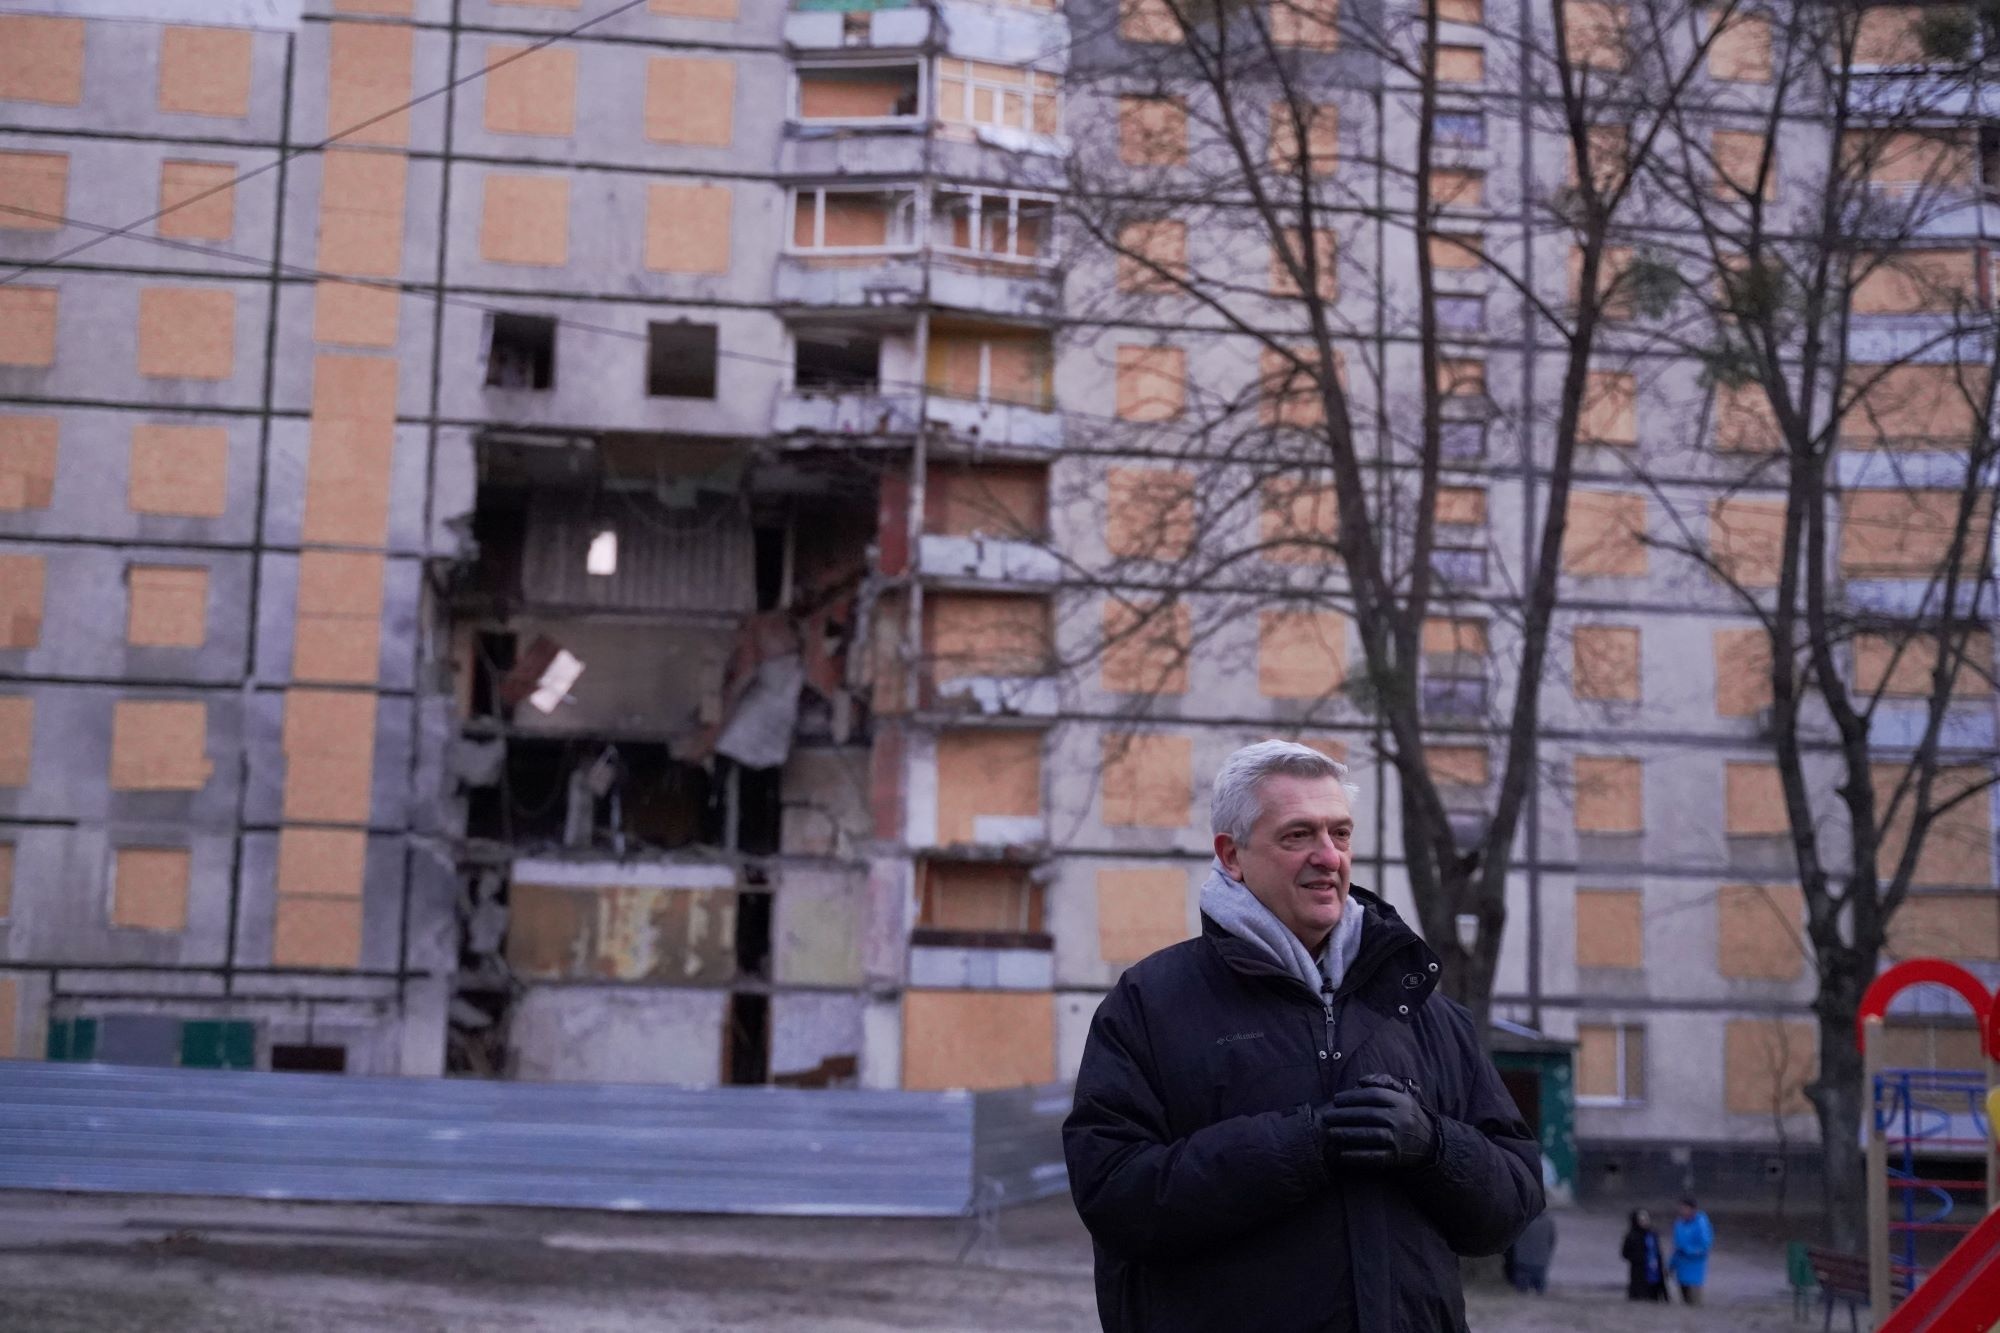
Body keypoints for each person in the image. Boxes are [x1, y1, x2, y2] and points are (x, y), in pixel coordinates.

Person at [1063, 740, 1546, 1332]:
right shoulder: (1151, 1003)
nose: (1328, 856)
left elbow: (1513, 1205)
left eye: (1340, 834)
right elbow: (1115, 1196)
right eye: (1298, 835)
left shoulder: (1426, 1012)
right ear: (1232, 855)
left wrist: (1433, 1146)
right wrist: (1304, 1144)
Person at [1670, 1197, 1714, 1304]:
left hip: (1695, 1273)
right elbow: (1676, 1248)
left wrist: (1688, 1250)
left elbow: (1705, 1247)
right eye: (1680, 1208)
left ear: (1693, 1209)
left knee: (1694, 1303)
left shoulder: (1701, 1224)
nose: (1682, 1211)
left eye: (1684, 1208)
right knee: (1685, 1303)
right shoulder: (1679, 1224)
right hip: (1681, 1272)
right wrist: (1670, 1265)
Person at [1622, 1208, 1669, 1301]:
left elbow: (1658, 1252)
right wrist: (1639, 1258)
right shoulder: (1631, 1236)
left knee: (1655, 1295)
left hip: (1654, 1270)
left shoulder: (1652, 1234)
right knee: (1640, 1296)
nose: (1645, 1222)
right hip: (1639, 1272)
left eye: (1646, 1219)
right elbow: (1625, 1254)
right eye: (1642, 1220)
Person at [1509, 1208, 1557, 1294]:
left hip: (1522, 1258)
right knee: (1540, 1289)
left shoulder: (1523, 1221)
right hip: (1541, 1260)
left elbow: (1514, 1239)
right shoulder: (1548, 1221)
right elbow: (1552, 1240)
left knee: (1521, 1288)